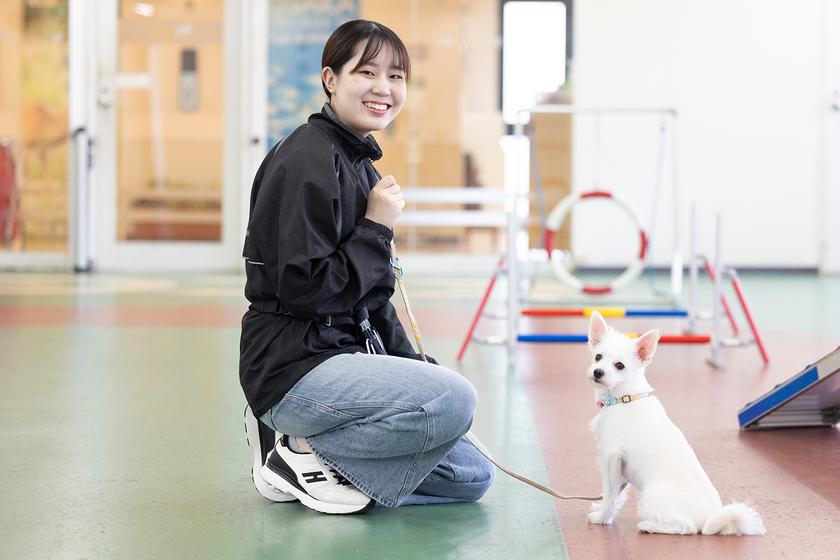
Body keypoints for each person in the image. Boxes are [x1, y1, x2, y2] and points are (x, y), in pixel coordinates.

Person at [240, 19, 495, 515]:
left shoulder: (358, 162)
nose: (384, 88)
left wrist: (419, 375)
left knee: (472, 475)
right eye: (367, 72)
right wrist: (376, 228)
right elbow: (304, 292)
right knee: (456, 400)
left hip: (344, 359)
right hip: (293, 366)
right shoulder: (308, 160)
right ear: (331, 79)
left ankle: (314, 457)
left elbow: (374, 301)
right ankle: (296, 449)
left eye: (396, 76)